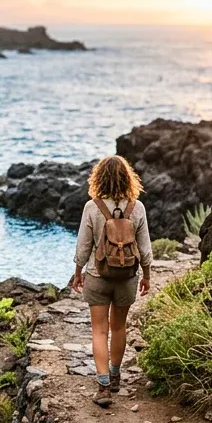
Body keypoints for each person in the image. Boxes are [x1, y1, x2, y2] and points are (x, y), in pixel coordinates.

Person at [69, 155, 153, 407]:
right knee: (119, 327)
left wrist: (77, 272)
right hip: (127, 276)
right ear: (128, 178)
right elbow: (145, 248)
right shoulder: (137, 208)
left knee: (99, 330)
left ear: (99, 178)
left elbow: (83, 247)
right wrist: (146, 276)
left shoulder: (92, 207)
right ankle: (116, 376)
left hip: (98, 276)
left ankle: (103, 386)